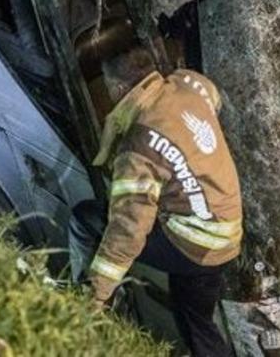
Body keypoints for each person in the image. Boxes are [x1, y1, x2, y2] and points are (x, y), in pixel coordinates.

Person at [69, 45, 243, 357]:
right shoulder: (189, 84)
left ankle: (86, 296)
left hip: (197, 245)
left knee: (86, 218)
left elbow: (127, 232)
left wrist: (96, 296)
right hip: (228, 225)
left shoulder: (137, 148)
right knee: (194, 317)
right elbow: (212, 97)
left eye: (108, 88)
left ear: (119, 88)